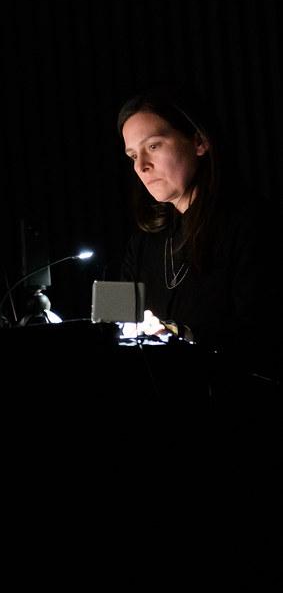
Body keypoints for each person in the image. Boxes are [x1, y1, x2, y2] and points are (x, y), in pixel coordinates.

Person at [117, 84, 281, 380]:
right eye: (132, 156)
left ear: (199, 141)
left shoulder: (254, 226)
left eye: (153, 146)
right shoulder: (141, 243)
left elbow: (262, 341)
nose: (141, 166)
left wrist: (178, 334)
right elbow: (113, 327)